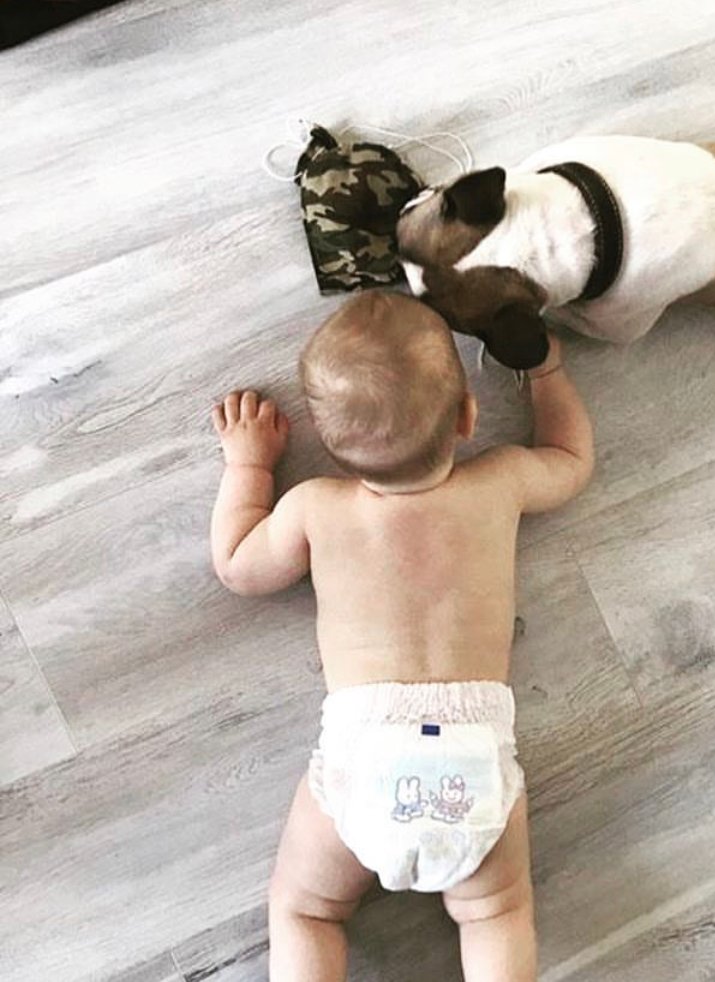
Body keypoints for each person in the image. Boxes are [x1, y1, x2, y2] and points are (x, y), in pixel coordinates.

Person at [208, 291, 593, 981]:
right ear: (468, 418)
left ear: (329, 447)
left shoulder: (315, 507)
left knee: (306, 911)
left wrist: (250, 466)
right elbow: (568, 457)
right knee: (495, 913)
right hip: (472, 747)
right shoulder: (499, 481)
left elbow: (239, 567)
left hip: (366, 745)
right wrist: (546, 373)